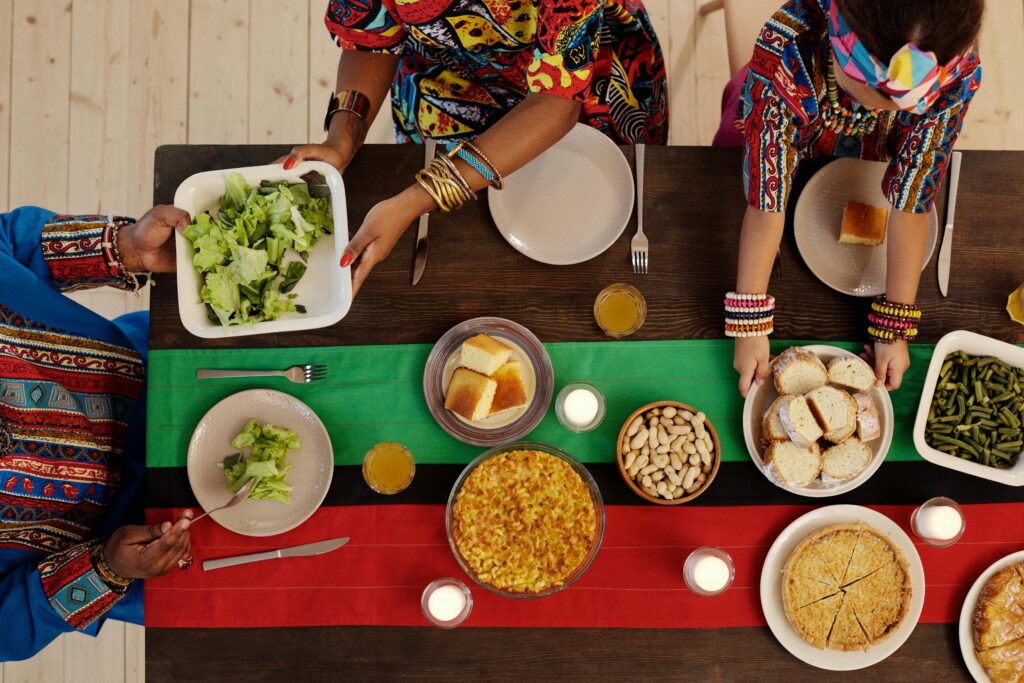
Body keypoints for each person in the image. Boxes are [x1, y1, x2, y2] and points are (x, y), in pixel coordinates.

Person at [284, 0, 668, 295]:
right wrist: (342, 138)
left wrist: (419, 197)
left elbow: (556, 101)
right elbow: (369, 35)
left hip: (586, 78)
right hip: (444, 82)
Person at [717, 0, 983, 396]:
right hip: (771, 139)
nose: (878, 108)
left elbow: (913, 200)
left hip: (875, 153)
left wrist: (894, 327)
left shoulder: (954, 67)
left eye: (900, 105)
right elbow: (765, 199)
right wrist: (750, 321)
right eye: (870, 96)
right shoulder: (787, 49)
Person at [0, 206, 193, 661]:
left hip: (165, 373)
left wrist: (126, 246)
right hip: (154, 541)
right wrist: (106, 569)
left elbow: (11, 244)